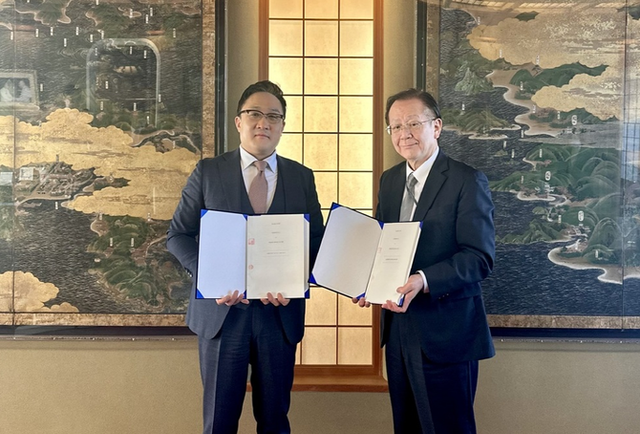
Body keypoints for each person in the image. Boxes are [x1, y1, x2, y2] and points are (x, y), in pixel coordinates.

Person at [167, 80, 323, 434]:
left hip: (279, 316)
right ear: (239, 122)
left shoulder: (301, 177)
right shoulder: (209, 172)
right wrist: (210, 277)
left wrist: (296, 278)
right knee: (219, 422)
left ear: (282, 125)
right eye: (254, 114)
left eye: (273, 116)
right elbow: (177, 236)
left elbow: (315, 241)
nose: (263, 123)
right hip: (222, 317)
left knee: (274, 421)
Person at [355, 88, 495, 434]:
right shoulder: (390, 181)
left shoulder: (466, 180)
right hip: (399, 329)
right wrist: (365, 281)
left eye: (413, 123)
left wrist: (423, 279)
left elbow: (479, 258)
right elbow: (383, 246)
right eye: (396, 126)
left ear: (437, 126)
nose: (404, 133)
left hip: (447, 331)